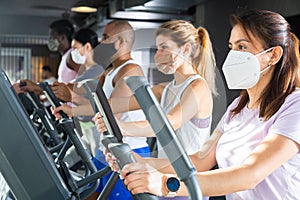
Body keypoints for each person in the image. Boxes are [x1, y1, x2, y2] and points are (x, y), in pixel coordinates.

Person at [109, 9, 300, 199]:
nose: (233, 55)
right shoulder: (236, 108)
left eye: (242, 47)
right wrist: (138, 161)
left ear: (273, 55)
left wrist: (166, 184)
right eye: (232, 46)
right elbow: (200, 159)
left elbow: (250, 174)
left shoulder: (295, 105)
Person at [53, 20, 151, 200]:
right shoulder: (110, 70)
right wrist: (69, 106)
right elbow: (90, 98)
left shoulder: (130, 70)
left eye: (106, 37)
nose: (101, 41)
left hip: (128, 151)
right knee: (92, 194)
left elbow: (112, 112)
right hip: (106, 149)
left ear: (121, 42)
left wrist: (73, 103)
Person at [94, 19, 217, 162]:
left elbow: (170, 123)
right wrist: (80, 106)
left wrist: (121, 127)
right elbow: (119, 104)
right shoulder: (165, 89)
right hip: (166, 173)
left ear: (186, 49)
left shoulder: (198, 87)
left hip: (190, 177)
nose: (158, 54)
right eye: (157, 48)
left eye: (164, 47)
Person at [48, 19, 78, 83]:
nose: (51, 40)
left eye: (53, 36)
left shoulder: (72, 56)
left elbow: (86, 77)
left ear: (62, 37)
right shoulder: (66, 56)